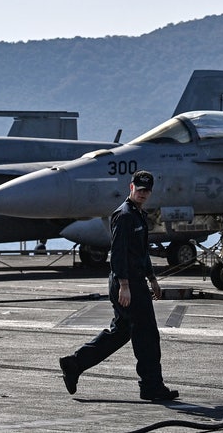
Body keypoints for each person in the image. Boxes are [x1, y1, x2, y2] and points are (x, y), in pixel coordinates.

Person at [59, 170, 179, 401]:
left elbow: (141, 253)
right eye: (139, 189)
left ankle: (74, 363)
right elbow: (118, 253)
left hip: (134, 281)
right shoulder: (124, 216)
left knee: (121, 332)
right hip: (127, 283)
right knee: (147, 336)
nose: (143, 194)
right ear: (130, 187)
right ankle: (151, 386)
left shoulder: (138, 215)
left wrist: (152, 278)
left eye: (147, 190)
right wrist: (125, 285)